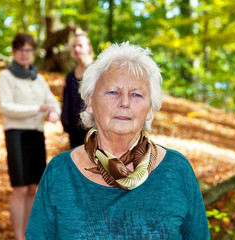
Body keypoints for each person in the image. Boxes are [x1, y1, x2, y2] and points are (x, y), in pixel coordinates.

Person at [25, 42, 210, 239]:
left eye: (136, 94)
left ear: (149, 110)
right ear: (89, 102)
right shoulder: (60, 172)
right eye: (113, 92)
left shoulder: (176, 170)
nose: (124, 103)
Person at [0, 32, 60, 240]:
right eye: (20, 50)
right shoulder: (5, 76)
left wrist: (53, 112)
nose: (25, 54)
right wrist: (38, 108)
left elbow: (52, 101)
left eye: (28, 50)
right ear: (14, 52)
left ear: (33, 52)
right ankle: (17, 236)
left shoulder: (38, 78)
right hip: (16, 135)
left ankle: (28, 234)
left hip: (36, 136)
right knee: (20, 188)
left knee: (34, 188)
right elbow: (6, 107)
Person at [61, 31, 94, 148]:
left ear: (89, 47)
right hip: (74, 131)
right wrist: (65, 123)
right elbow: (66, 102)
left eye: (80, 45)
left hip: (95, 129)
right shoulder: (70, 76)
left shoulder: (98, 71)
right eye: (74, 46)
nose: (76, 49)